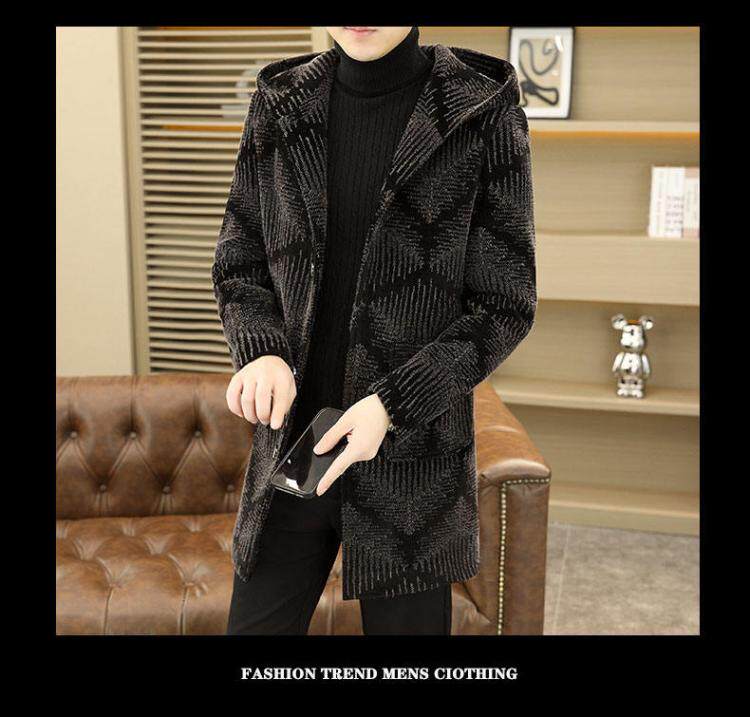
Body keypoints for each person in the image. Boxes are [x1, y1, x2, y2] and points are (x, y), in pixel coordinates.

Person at [213, 26, 537, 635]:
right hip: (294, 448)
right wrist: (261, 351)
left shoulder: (480, 110)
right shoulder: (280, 101)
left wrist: (392, 407)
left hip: (412, 468)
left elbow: (504, 304)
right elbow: (240, 256)